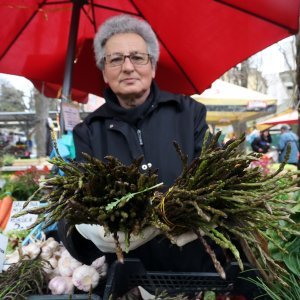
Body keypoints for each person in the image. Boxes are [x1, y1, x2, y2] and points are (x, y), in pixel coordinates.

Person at [57, 15, 259, 298]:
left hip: (194, 273)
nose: (128, 67)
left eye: (137, 57)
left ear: (152, 65)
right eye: (115, 60)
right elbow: (76, 205)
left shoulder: (188, 114)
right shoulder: (88, 132)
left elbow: (216, 183)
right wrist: (86, 230)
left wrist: (204, 212)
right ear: (104, 71)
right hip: (126, 280)